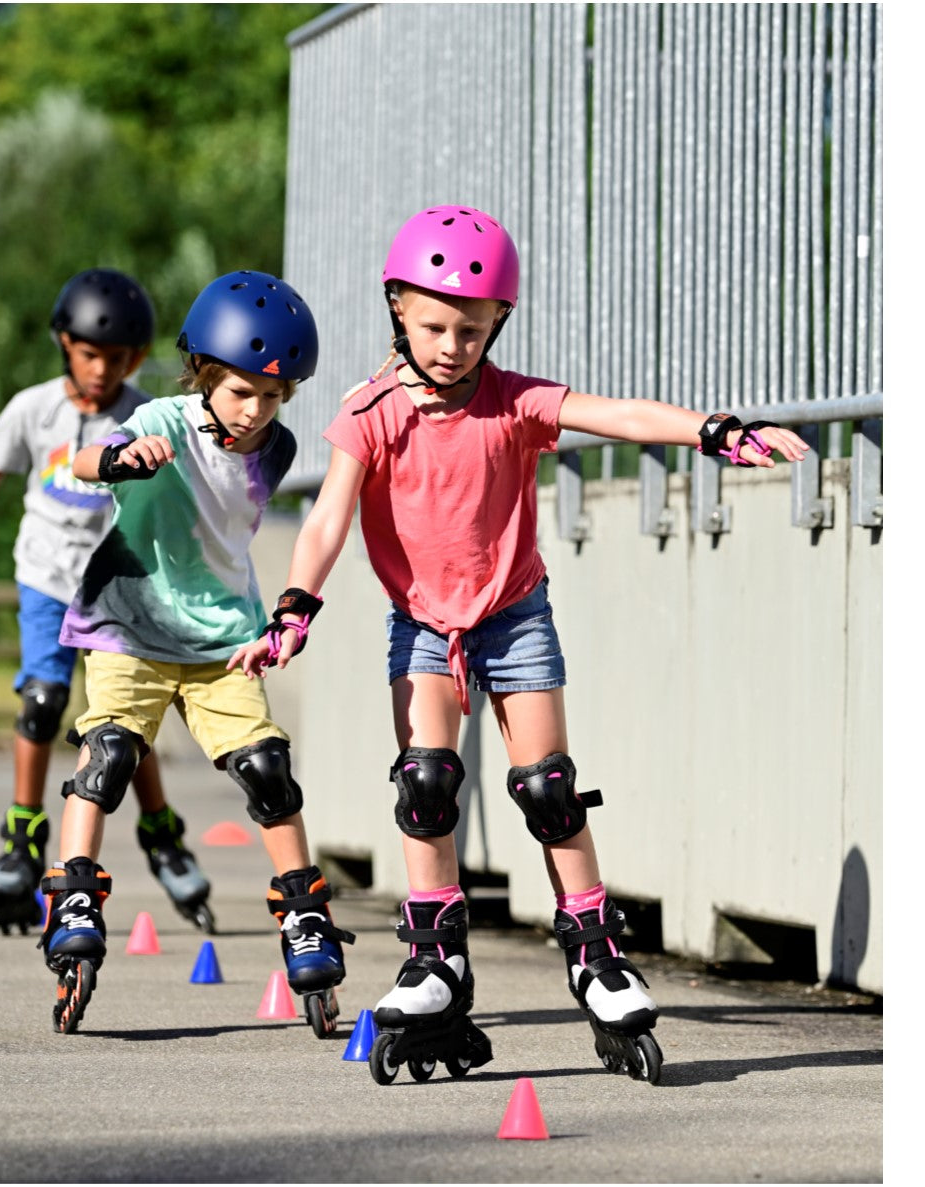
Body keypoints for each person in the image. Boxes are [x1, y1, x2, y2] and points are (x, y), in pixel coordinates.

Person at [228, 205, 809, 1084]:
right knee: (425, 783)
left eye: (472, 327)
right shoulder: (371, 411)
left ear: (499, 320)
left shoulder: (515, 401)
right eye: (433, 325)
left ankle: (595, 950)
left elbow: (616, 413)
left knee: (549, 789)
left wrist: (714, 431)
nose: (453, 344)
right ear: (396, 308)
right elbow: (326, 518)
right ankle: (436, 960)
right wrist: (295, 607)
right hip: (423, 624)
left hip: (515, 617)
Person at [38, 269, 355, 1037]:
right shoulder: (166, 421)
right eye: (242, 391)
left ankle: (303, 914)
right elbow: (69, 462)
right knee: (108, 754)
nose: (256, 413)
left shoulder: (274, 451)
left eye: (274, 397)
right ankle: (74, 894)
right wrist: (117, 461)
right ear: (204, 373)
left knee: (267, 769)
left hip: (222, 639)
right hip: (130, 626)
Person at [0, 268, 214, 938]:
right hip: (46, 581)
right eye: (88, 352)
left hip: (117, 588)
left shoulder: (144, 416)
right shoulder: (32, 409)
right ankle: (21, 843)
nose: (102, 368)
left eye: (117, 357)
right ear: (63, 344)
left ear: (137, 358)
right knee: (43, 703)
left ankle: (164, 837)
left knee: (122, 723)